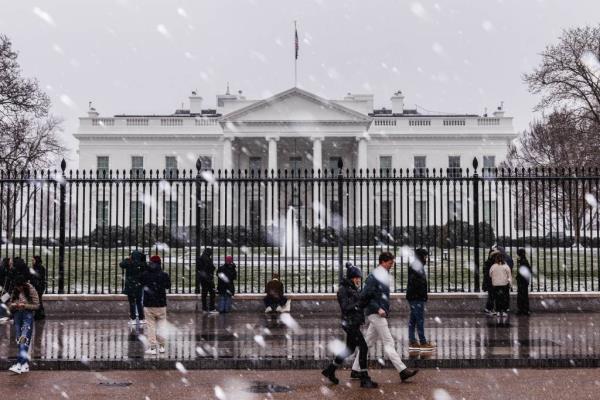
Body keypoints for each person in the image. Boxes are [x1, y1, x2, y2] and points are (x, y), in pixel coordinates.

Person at [351, 252, 418, 383]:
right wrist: (378, 308)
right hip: (376, 313)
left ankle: (355, 370)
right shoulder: (374, 276)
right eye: (390, 262)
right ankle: (402, 370)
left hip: (377, 313)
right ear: (383, 262)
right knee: (389, 342)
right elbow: (365, 296)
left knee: (368, 342)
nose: (392, 265)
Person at [321, 263, 377, 389]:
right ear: (351, 277)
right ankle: (364, 378)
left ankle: (330, 370)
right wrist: (359, 303)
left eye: (359, 278)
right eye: (356, 277)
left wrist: (366, 299)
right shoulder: (343, 290)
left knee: (350, 349)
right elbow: (345, 307)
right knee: (363, 347)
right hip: (350, 323)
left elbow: (358, 304)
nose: (359, 280)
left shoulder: (352, 288)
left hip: (354, 323)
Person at [8, 274, 40, 374]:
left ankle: (19, 364)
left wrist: (25, 305)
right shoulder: (15, 290)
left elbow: (37, 305)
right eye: (17, 286)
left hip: (27, 315)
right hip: (18, 315)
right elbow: (10, 304)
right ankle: (25, 364)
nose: (18, 288)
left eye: (19, 286)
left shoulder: (31, 289)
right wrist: (15, 305)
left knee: (24, 339)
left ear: (23, 285)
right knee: (19, 339)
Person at [140, 255, 171, 355]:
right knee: (162, 325)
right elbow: (168, 285)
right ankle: (162, 346)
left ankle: (152, 347)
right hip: (161, 303)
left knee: (151, 326)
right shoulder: (164, 274)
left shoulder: (145, 274)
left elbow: (140, 281)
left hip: (149, 303)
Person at [406, 248, 435, 351]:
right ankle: (422, 342)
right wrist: (422, 295)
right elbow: (417, 283)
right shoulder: (416, 267)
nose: (426, 258)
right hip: (416, 298)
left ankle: (412, 340)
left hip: (414, 297)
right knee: (419, 320)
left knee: (413, 319)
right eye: (425, 256)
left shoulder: (416, 265)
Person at [120, 250, 147, 325]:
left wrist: (128, 259)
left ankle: (133, 318)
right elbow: (147, 268)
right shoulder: (142, 264)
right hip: (139, 285)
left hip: (130, 285)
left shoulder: (129, 263)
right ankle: (141, 318)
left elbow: (121, 264)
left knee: (132, 302)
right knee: (139, 302)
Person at [489, 251, 512, 317]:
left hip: (496, 284)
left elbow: (490, 274)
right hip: (504, 284)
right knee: (504, 298)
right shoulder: (506, 266)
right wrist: (510, 284)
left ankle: (498, 311)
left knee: (497, 298)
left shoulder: (493, 266)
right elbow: (509, 276)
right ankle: (504, 311)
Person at [196, 248, 217, 314]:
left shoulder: (200, 258)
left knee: (204, 293)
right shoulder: (208, 259)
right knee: (212, 293)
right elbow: (212, 268)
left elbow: (198, 268)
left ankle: (204, 308)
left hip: (203, 278)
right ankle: (212, 308)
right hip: (209, 278)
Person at [30, 256, 47, 320]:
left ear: (36, 260)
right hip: (38, 286)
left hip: (38, 287)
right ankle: (39, 314)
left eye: (33, 260)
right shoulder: (37, 267)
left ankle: (39, 315)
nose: (32, 262)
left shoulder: (39, 268)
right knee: (38, 300)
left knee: (38, 300)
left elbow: (37, 277)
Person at [516, 249, 532, 315]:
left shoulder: (523, 262)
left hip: (522, 282)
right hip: (524, 282)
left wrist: (518, 277)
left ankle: (522, 310)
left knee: (521, 296)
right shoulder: (524, 261)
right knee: (524, 295)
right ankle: (525, 309)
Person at [482, 249, 496, 315]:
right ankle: (489, 309)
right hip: (491, 281)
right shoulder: (491, 263)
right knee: (491, 296)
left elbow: (484, 272)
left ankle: (489, 308)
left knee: (491, 296)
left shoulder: (488, 262)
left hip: (489, 281)